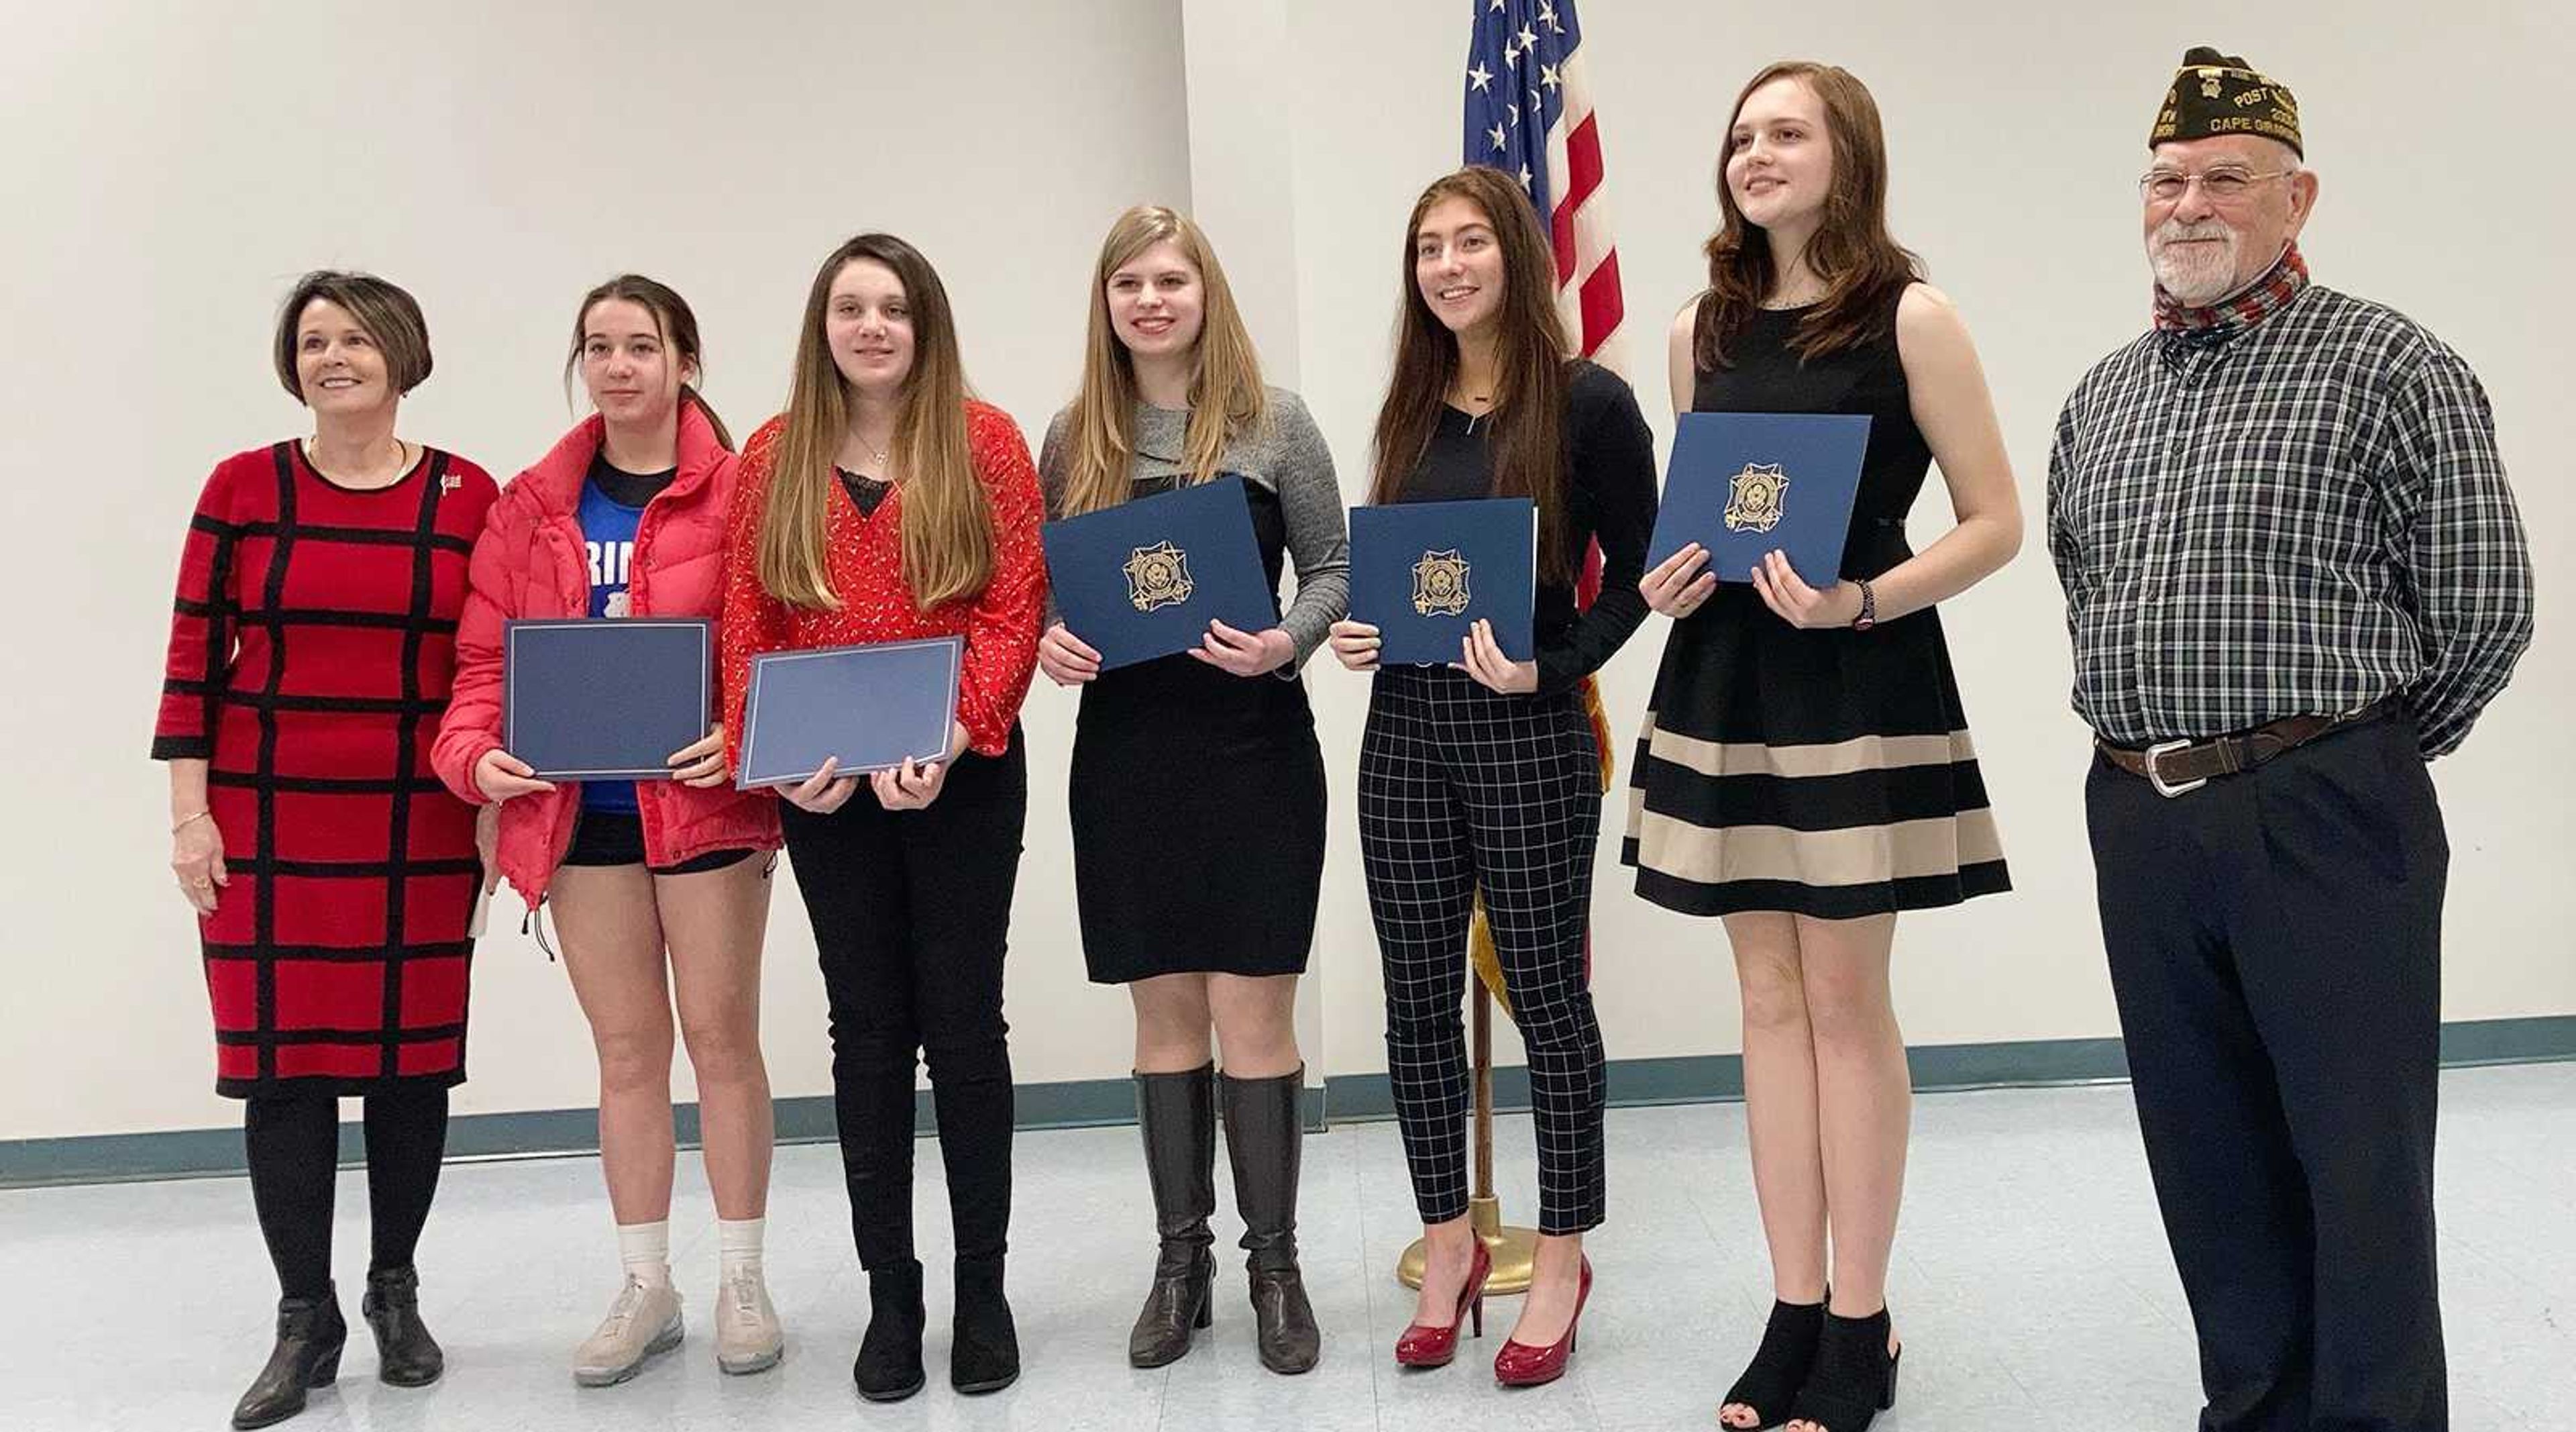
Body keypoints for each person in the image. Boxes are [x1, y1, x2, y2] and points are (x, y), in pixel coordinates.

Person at [2049, 48, 2533, 1432]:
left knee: (2358, 1152)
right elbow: (2085, 584)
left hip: (2325, 802)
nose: (2188, 204)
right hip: (2140, 810)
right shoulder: (2102, 397)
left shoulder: (2392, 364)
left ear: (2296, 196)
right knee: (2204, 1147)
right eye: (2167, 178)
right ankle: (2254, 1403)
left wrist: (2349, 758)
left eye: (2225, 178)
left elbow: (2484, 603)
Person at [1623, 61, 2021, 1432]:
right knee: (1769, 1005)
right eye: (1741, 134)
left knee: (1847, 1004)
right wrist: (1665, 580)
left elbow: (1991, 521)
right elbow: (1697, 519)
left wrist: (1863, 594)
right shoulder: (1694, 331)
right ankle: (1791, 1305)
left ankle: (1863, 1318)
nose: (1757, 152)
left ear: (1848, 155)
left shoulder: (1914, 316)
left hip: (1858, 671)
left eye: (1786, 132)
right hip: (1727, 673)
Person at [1327, 164, 1656, 1389]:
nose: (1449, 266)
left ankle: (1563, 1256)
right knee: (1415, 1004)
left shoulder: (1588, 403)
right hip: (1404, 729)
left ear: (1517, 254)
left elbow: (1641, 567)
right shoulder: (1412, 407)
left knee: (1549, 1004)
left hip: (1527, 736)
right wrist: (1362, 627)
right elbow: (1404, 573)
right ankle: (1452, 1239)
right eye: (1428, 248)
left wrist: (1550, 661)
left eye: (1471, 242)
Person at [154, 271, 498, 1429]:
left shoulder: (467, 495)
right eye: (313, 341)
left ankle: (394, 1289)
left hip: (419, 816)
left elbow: (490, 665)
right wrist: (188, 815)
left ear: (402, 352)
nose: (333, 357)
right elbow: (192, 662)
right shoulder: (244, 488)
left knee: (411, 1066)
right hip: (265, 818)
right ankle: (305, 1318)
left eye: (355, 338)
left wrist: (498, 811)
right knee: (281, 1070)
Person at [431, 275, 786, 1386]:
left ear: (687, 361)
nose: (619, 364)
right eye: (599, 346)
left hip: (707, 809)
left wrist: (744, 731)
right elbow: (483, 664)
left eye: (642, 345)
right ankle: (647, 1283)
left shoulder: (744, 494)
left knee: (723, 1042)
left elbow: (783, 639)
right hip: (577, 814)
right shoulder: (531, 502)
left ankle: (741, 1275)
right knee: (628, 1052)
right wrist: (473, 756)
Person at [717, 232, 1047, 1402]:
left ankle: (983, 1288)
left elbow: (1015, 605)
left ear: (925, 325)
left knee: (963, 1025)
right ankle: (891, 1296)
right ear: (823, 326)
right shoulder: (772, 455)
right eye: (850, 308)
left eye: (893, 309)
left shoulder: (987, 441)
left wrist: (955, 733)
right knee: (865, 1031)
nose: (871, 328)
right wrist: (777, 763)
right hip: (827, 794)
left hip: (959, 776)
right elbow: (747, 622)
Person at [1034, 205, 1349, 1376]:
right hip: (1129, 755)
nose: (1151, 299)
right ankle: (1182, 1263)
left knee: (1254, 1015)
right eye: (1130, 281)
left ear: (1207, 291)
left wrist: (1288, 644)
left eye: (1172, 278)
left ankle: (1277, 1265)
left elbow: (1332, 566)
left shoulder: (1277, 423)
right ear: (1106, 302)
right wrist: (1055, 641)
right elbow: (1050, 594)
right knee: (1164, 1015)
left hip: (1254, 747)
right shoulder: (1074, 436)